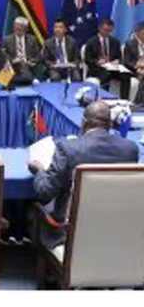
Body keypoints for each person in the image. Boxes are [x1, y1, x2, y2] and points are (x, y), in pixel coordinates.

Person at [28, 100, 138, 249]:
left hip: (69, 233)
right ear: (110, 124)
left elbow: (45, 191)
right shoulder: (130, 149)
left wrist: (40, 170)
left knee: (34, 209)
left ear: (83, 122)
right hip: (117, 229)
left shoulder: (68, 148)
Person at [84, 18, 131, 99]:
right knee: (106, 74)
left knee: (126, 75)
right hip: (97, 69)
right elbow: (87, 59)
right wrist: (97, 62)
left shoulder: (115, 42)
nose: (107, 33)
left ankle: (124, 100)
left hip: (112, 68)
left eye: (110, 31)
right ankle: (104, 98)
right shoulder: (91, 42)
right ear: (99, 28)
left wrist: (117, 61)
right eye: (105, 30)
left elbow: (119, 57)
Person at [3, 16, 44, 85]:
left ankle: (20, 79)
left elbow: (38, 55)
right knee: (3, 80)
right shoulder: (7, 40)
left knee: (23, 65)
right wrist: (12, 60)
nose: (18, 28)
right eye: (16, 26)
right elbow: (4, 55)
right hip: (13, 65)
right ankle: (30, 79)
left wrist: (31, 61)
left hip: (28, 65)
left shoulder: (32, 39)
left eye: (21, 26)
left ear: (26, 29)